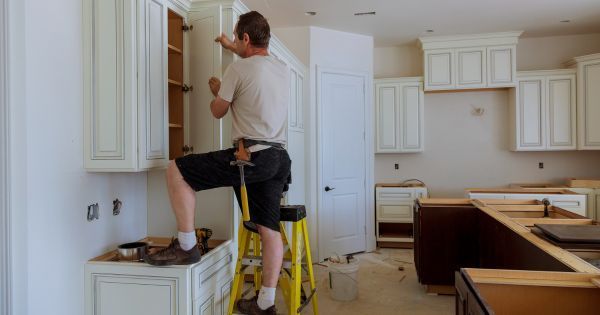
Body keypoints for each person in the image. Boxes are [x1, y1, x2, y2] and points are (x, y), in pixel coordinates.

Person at [144, 11, 290, 315]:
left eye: (237, 37)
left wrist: (217, 92)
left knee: (177, 169)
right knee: (268, 229)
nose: (234, 42)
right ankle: (265, 304)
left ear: (246, 38)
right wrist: (229, 44)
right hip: (278, 158)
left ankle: (186, 245)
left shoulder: (238, 71)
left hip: (251, 155)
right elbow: (255, 56)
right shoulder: (280, 68)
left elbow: (217, 111)